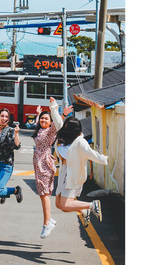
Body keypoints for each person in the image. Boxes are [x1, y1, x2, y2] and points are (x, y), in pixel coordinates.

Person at [49, 98, 108, 227]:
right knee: (60, 205)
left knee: (65, 204)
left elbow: (92, 154)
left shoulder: (80, 142)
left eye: (67, 127)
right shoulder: (62, 135)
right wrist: (53, 106)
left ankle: (92, 205)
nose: (64, 128)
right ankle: (84, 210)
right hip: (64, 176)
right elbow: (57, 120)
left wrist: (105, 159)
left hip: (74, 177)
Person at [27, 98, 73, 239]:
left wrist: (62, 114)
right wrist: (39, 113)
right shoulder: (40, 129)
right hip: (38, 164)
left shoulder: (50, 131)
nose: (43, 121)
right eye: (42, 119)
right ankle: (49, 220)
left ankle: (47, 224)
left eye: (46, 119)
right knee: (43, 193)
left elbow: (57, 124)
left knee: (44, 194)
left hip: (45, 164)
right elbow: (38, 122)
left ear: (50, 121)